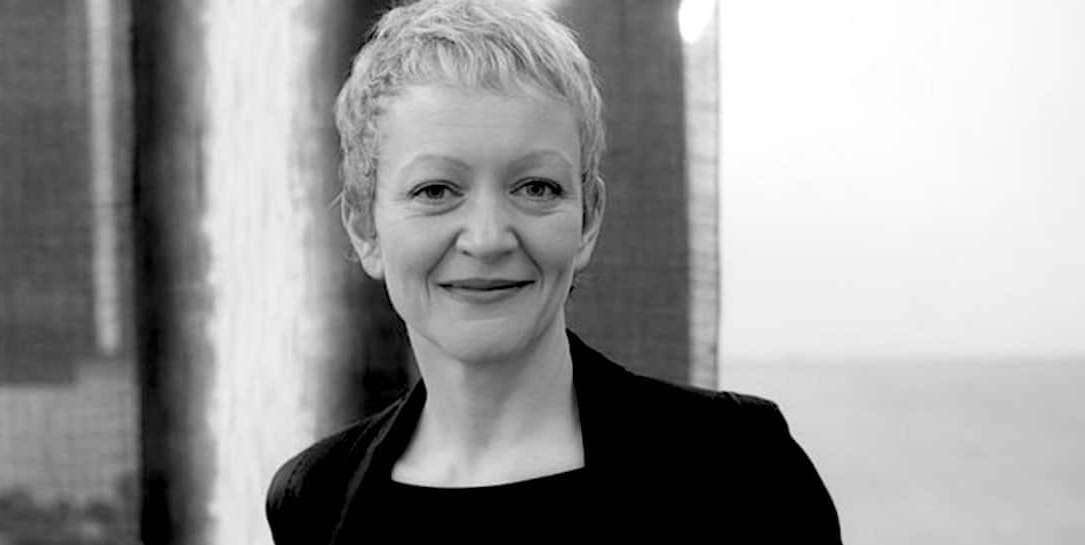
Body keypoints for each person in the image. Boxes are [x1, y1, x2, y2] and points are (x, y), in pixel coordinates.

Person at [266, 0, 841, 543]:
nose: (488, 239)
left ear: (588, 220)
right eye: (436, 190)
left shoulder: (741, 470)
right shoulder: (314, 498)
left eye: (536, 188)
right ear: (364, 226)